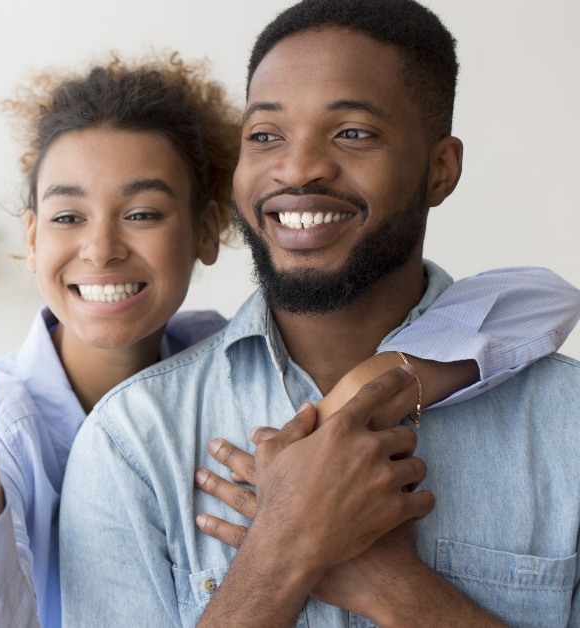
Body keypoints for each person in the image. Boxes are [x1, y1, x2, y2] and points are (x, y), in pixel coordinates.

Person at [0, 54, 579, 627]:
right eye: (68, 217)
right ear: (32, 236)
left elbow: (540, 299)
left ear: (210, 232)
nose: (102, 249)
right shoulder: (9, 421)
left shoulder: (224, 354)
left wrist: (367, 390)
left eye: (142, 213)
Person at [58, 1, 580, 626]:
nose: (298, 167)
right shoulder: (134, 441)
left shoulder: (566, 426)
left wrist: (392, 586)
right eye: (266, 136)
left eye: (353, 132)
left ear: (440, 170)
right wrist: (282, 550)